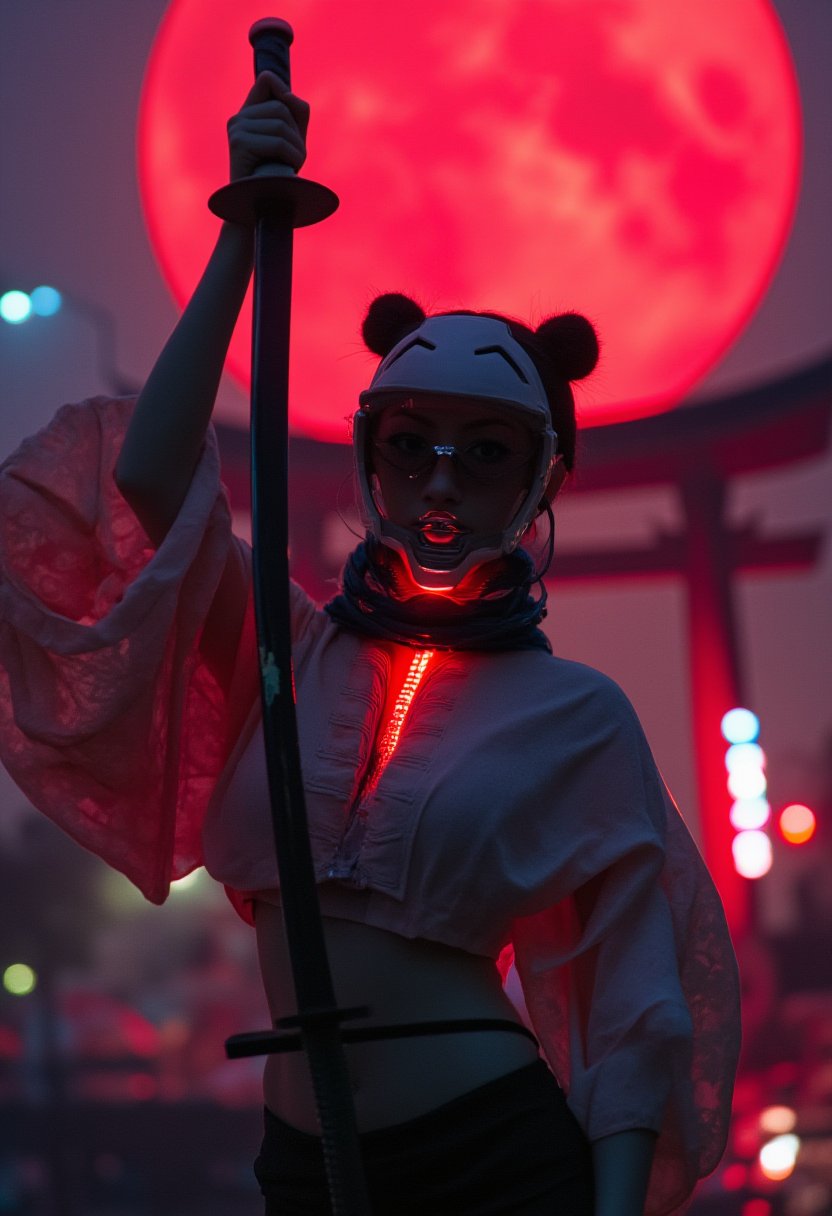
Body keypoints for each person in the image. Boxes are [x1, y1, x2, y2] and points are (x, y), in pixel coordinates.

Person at [0, 72, 740, 1215]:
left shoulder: (579, 715)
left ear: (543, 478)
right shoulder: (282, 651)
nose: (441, 479)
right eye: (413, 443)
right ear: (371, 455)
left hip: (492, 1157)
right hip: (300, 1164)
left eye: (485, 451)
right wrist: (243, 229)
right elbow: (148, 479)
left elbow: (634, 998)